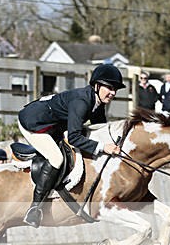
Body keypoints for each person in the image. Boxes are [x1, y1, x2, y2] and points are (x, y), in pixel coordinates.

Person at [17, 63, 125, 228]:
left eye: (115, 89)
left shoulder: (98, 103)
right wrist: (103, 147)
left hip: (55, 123)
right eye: (109, 88)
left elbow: (99, 129)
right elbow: (74, 138)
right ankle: (34, 209)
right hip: (33, 122)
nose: (113, 93)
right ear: (96, 85)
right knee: (57, 158)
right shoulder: (82, 102)